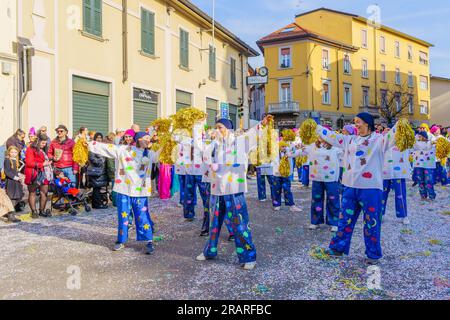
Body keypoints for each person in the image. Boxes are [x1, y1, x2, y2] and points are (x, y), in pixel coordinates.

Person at [310, 112, 402, 265]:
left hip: (371, 189)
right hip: (350, 187)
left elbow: (394, 135)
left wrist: (400, 125)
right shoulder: (350, 140)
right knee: (344, 220)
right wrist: (316, 127)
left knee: (371, 222)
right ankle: (338, 248)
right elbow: (332, 136)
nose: (356, 125)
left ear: (367, 123)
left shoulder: (379, 140)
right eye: (354, 122)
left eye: (358, 122)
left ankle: (373, 254)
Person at [196, 116, 273, 270]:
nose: (218, 130)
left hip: (234, 189)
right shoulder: (215, 144)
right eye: (216, 127)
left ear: (228, 129)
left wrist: (261, 124)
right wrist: (211, 163)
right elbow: (202, 152)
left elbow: (252, 135)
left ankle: (248, 256)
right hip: (217, 189)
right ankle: (210, 251)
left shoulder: (239, 142)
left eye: (220, 127)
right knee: (214, 223)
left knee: (240, 223)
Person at [88, 131, 159, 254]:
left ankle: (148, 240)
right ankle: (120, 240)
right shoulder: (123, 150)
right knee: (123, 216)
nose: (148, 140)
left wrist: (170, 142)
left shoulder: (151, 154)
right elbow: (106, 148)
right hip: (124, 189)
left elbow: (163, 155)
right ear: (137, 139)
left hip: (140, 192)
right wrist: (89, 143)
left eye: (149, 138)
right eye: (145, 138)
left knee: (142, 216)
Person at [296, 138, 342, 231]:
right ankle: (315, 221)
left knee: (333, 200)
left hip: (331, 179)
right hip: (317, 177)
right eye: (319, 135)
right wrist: (287, 154)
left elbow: (346, 155)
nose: (321, 137)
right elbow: (300, 151)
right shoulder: (313, 146)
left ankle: (335, 222)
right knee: (316, 199)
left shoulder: (336, 147)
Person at [381, 129, 411, 225]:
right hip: (385, 171)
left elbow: (413, 145)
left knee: (400, 194)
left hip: (399, 173)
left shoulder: (403, 141)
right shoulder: (383, 140)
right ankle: (380, 213)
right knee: (382, 194)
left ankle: (404, 215)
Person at [25, 133, 53, 218]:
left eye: (45, 143)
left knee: (44, 193)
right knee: (32, 193)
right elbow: (29, 163)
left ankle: (42, 211)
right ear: (37, 141)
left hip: (44, 174)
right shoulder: (30, 149)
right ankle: (34, 212)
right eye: (42, 143)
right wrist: (42, 164)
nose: (44, 145)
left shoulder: (43, 150)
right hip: (34, 174)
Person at [271, 141, 303, 212]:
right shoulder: (275, 152)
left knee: (287, 189)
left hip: (286, 174)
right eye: (282, 146)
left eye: (285, 146)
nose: (284, 148)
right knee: (276, 190)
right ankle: (276, 205)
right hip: (277, 174)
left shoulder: (288, 151)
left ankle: (291, 205)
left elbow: (295, 152)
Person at [412, 131, 436, 201]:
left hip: (427, 165)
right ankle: (423, 195)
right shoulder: (415, 143)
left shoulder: (430, 143)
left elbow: (428, 148)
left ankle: (431, 195)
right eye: (419, 136)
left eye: (421, 136)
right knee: (420, 180)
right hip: (418, 164)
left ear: (425, 137)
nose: (419, 137)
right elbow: (412, 148)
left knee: (428, 180)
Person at [87, 133, 109, 209]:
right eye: (97, 138)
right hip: (96, 171)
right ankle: (97, 204)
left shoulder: (102, 147)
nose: (99, 139)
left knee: (98, 188)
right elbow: (91, 158)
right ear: (95, 138)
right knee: (96, 188)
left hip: (101, 171)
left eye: (100, 138)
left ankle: (96, 204)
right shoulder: (92, 147)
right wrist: (101, 161)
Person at [3, 146, 23, 223]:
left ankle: (9, 213)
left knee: (17, 197)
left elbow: (16, 170)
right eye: (12, 152)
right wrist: (15, 177)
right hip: (11, 182)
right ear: (9, 152)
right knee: (12, 198)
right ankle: (11, 215)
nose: (13, 154)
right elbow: (7, 172)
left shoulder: (16, 160)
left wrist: (20, 175)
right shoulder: (7, 160)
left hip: (16, 182)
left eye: (15, 152)